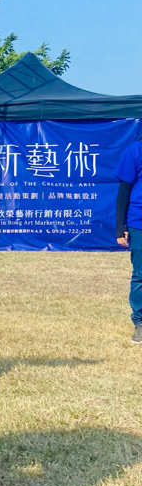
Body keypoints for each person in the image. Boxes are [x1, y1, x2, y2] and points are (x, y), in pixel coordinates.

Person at [114, 137, 142, 343]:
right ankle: (140, 323)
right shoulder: (136, 149)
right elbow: (124, 190)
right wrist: (120, 227)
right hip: (139, 223)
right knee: (141, 275)